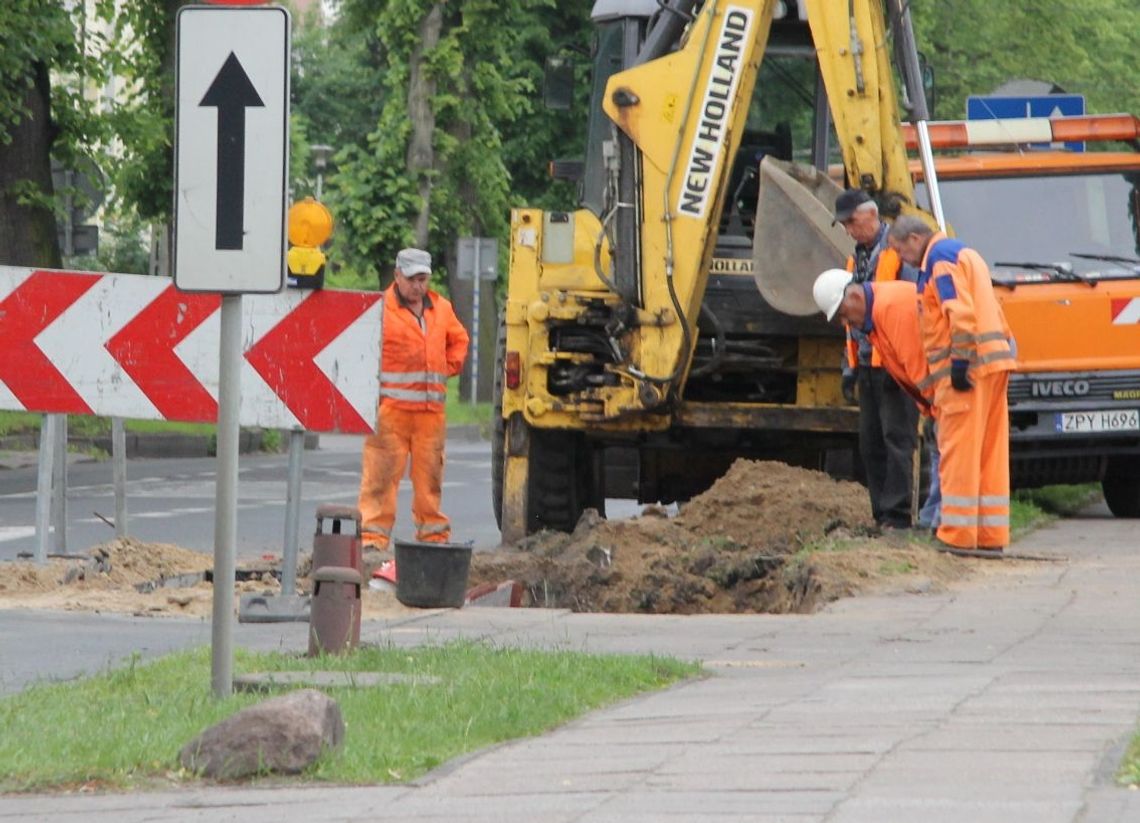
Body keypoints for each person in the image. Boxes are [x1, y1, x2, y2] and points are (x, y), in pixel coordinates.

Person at [887, 216, 1017, 554]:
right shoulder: (964, 253)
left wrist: (959, 363)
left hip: (966, 372)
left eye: (902, 251)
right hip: (993, 363)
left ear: (915, 239)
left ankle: (957, 535)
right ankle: (990, 535)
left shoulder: (939, 261)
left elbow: (959, 313)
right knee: (989, 452)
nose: (903, 260)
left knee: (958, 451)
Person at [358, 248, 470, 550]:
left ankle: (433, 536)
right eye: (412, 279)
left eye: (423, 279)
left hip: (431, 415)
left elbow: (459, 341)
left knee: (430, 481)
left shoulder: (441, 309)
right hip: (391, 413)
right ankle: (372, 538)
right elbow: (364, 353)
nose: (418, 286)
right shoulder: (380, 310)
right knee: (380, 479)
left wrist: (447, 367)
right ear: (397, 276)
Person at [832, 190, 920, 530]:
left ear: (871, 215)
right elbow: (852, 323)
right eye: (845, 225)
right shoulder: (856, 259)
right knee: (870, 444)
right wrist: (849, 366)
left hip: (895, 365)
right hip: (868, 364)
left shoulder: (897, 253)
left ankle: (897, 518)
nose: (850, 230)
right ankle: (880, 514)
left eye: (852, 222)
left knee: (897, 440)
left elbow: (912, 308)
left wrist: (907, 365)